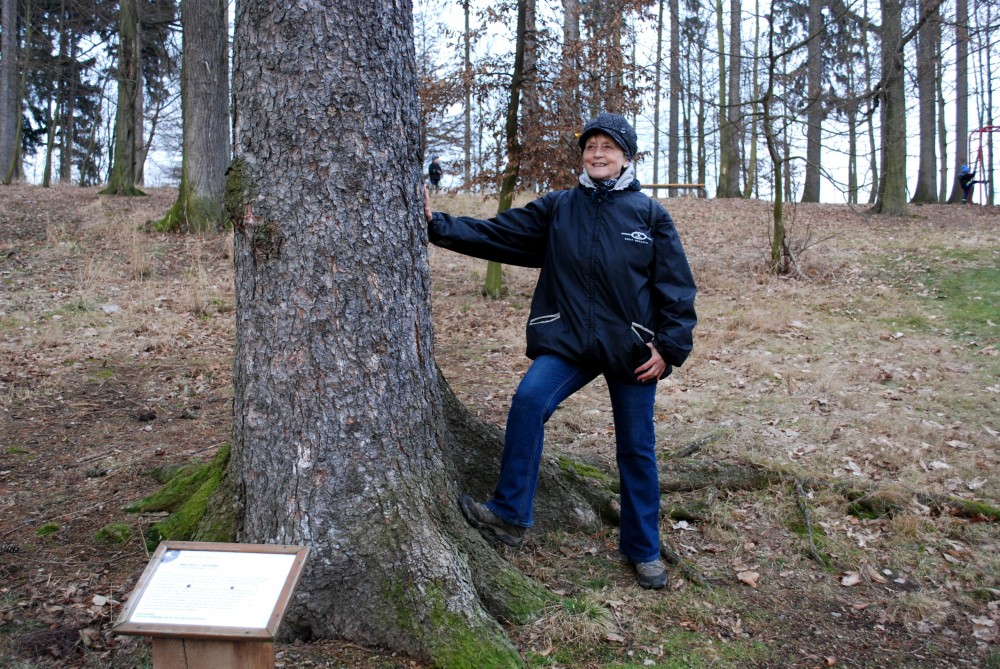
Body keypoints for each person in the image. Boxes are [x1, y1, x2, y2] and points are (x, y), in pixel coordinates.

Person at [424, 113, 697, 590]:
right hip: (568, 341)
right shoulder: (558, 208)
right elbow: (498, 234)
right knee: (529, 402)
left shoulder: (649, 216)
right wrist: (437, 225)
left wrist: (669, 349)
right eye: (590, 146)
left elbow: (676, 288)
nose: (597, 154)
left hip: (631, 350)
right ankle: (509, 514)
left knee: (636, 448)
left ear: (626, 156)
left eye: (608, 147)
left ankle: (643, 549)